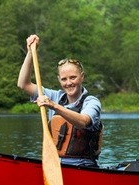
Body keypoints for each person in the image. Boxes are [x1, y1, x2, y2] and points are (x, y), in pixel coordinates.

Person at [17, 34, 103, 167]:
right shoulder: (56, 96)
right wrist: (30, 52)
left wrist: (53, 106)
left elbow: (83, 121)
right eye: (64, 79)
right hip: (55, 164)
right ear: (59, 80)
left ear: (82, 77)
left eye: (73, 77)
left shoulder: (91, 102)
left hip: (84, 165)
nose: (69, 83)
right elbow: (24, 84)